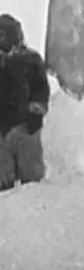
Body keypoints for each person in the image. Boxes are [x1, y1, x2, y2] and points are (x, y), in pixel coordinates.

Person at [0, 13, 50, 191]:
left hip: (25, 126)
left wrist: (36, 112)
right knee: (2, 186)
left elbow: (40, 89)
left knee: (33, 184)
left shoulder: (30, 59)